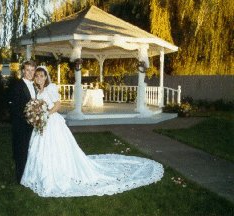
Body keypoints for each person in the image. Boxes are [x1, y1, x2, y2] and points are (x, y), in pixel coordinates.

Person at [21, 66, 164, 197]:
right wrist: (38, 116)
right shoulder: (37, 91)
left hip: (52, 122)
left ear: (46, 77)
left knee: (57, 150)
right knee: (40, 149)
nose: (39, 78)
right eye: (37, 76)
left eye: (41, 75)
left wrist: (47, 114)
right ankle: (40, 175)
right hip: (42, 124)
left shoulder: (51, 88)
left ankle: (58, 173)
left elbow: (58, 105)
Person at [9, 60, 37, 184]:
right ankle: (20, 179)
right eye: (27, 70)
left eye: (32, 70)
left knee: (32, 150)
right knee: (21, 152)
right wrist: (28, 119)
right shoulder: (17, 86)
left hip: (34, 125)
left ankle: (31, 175)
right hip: (21, 125)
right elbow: (14, 108)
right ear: (23, 71)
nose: (30, 73)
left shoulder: (35, 86)